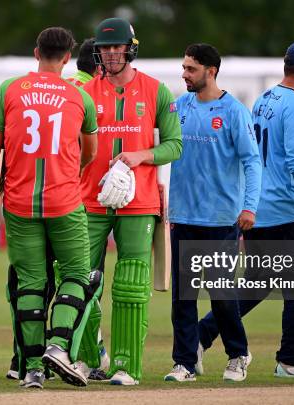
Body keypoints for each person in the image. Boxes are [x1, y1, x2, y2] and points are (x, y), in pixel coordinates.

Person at [196, 40, 294, 378]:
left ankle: (200, 335)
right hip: (286, 209)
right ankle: (291, 360)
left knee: (257, 283)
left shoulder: (264, 100)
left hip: (257, 207)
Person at [0, 27, 100, 389]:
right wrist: (68, 169)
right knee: (78, 275)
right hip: (65, 200)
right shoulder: (79, 96)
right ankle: (59, 345)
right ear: (67, 57)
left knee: (31, 284)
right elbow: (91, 152)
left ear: (36, 52)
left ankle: (32, 368)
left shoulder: (8, 89)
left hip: (19, 202)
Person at [77, 17, 182, 386]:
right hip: (90, 199)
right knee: (79, 280)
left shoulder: (157, 91)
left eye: (116, 47)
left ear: (129, 49)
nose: (109, 54)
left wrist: (141, 156)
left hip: (139, 202)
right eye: (104, 48)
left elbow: (175, 145)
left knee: (131, 283)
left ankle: (126, 366)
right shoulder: (85, 92)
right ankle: (87, 360)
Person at [164, 43, 261, 383]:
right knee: (183, 297)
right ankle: (185, 363)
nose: (184, 74)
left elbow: (252, 162)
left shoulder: (234, 112)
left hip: (221, 218)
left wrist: (249, 206)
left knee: (221, 295)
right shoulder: (179, 107)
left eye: (191, 69)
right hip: (183, 216)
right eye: (184, 67)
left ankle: (238, 354)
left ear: (211, 71)